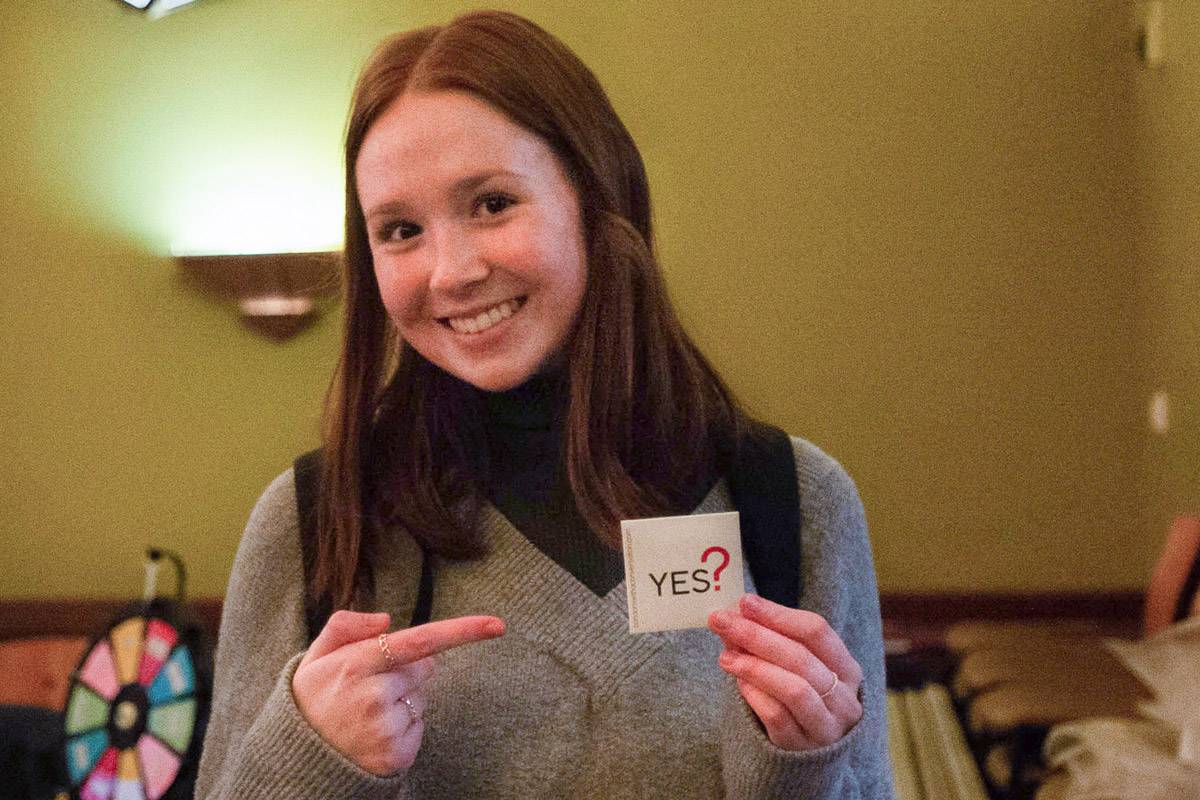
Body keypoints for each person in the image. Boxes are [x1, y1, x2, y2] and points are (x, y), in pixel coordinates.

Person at [195, 10, 892, 799]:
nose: (450, 271)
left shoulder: (795, 502)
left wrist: (798, 770)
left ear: (597, 198)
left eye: (492, 204)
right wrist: (309, 765)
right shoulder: (311, 519)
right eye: (400, 230)